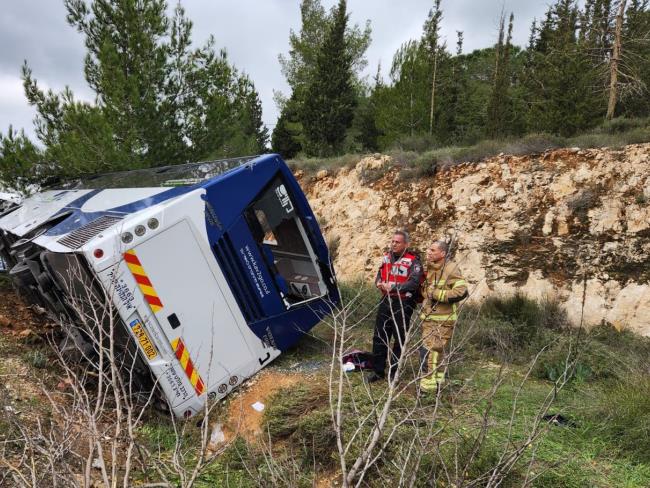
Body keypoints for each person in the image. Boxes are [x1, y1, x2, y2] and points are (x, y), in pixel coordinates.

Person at [367, 230, 423, 383]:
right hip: (386, 300)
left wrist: (394, 286)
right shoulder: (387, 257)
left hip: (404, 303)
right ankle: (378, 371)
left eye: (397, 242)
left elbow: (414, 282)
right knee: (379, 336)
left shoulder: (414, 261)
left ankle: (394, 373)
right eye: (392, 241)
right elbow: (380, 274)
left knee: (399, 338)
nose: (394, 244)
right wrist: (379, 282)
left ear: (406, 244)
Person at [419, 240, 468, 393]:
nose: (428, 252)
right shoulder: (432, 268)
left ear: (442, 253)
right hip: (430, 318)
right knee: (436, 352)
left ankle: (427, 389)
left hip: (443, 320)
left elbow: (462, 292)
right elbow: (427, 291)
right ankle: (438, 383)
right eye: (428, 249)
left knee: (429, 351)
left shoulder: (450, 268)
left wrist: (436, 294)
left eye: (433, 250)